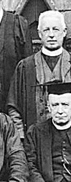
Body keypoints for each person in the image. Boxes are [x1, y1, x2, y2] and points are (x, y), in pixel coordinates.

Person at [8, 10, 71, 139]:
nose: (51, 35)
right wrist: (22, 137)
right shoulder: (25, 67)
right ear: (39, 33)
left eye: (56, 29)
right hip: (34, 142)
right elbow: (13, 107)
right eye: (46, 30)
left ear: (64, 32)